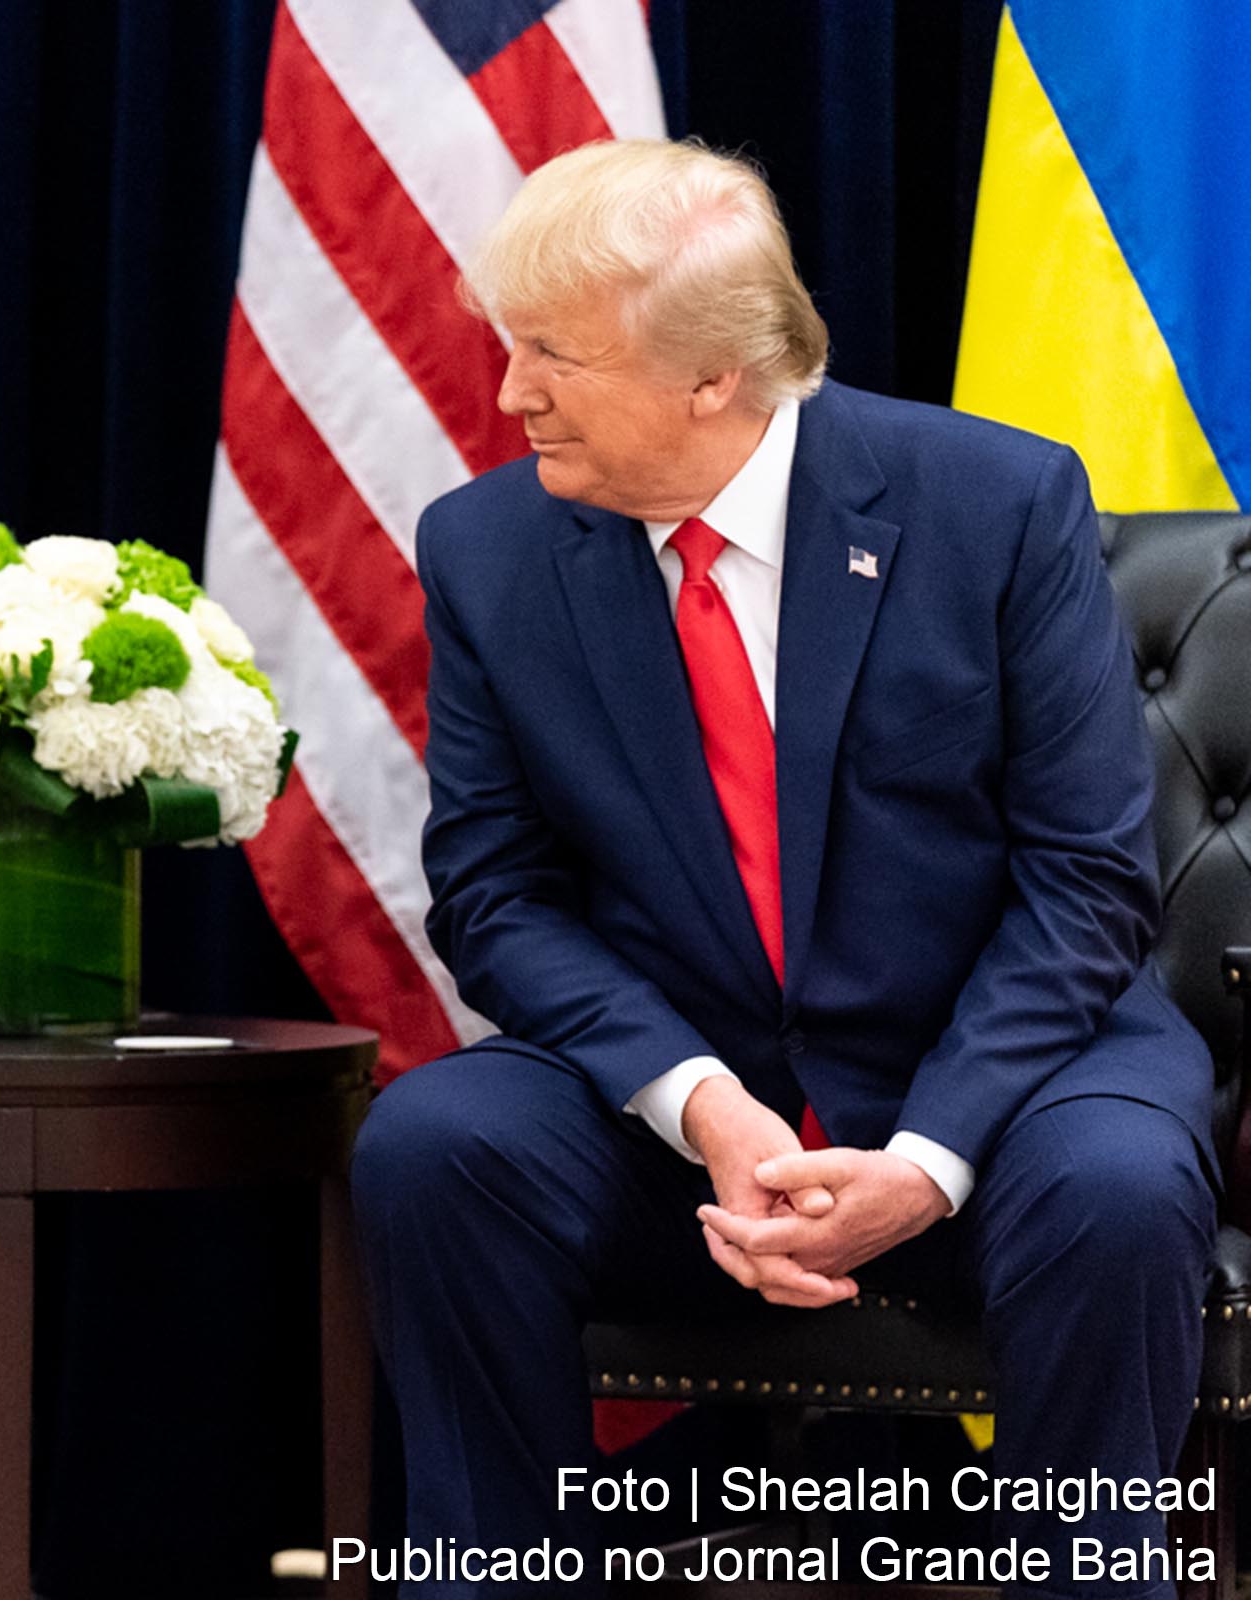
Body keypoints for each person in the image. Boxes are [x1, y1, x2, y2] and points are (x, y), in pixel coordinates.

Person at [352, 140, 1215, 1597]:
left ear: (714, 378)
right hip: (683, 1092)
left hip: (1000, 1083)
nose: (512, 397)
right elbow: (494, 897)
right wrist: (699, 1102)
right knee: (439, 1147)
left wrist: (928, 1160)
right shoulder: (488, 548)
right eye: (513, 349)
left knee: (1122, 1183)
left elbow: (1087, 885)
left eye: (553, 356)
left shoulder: (997, 505)